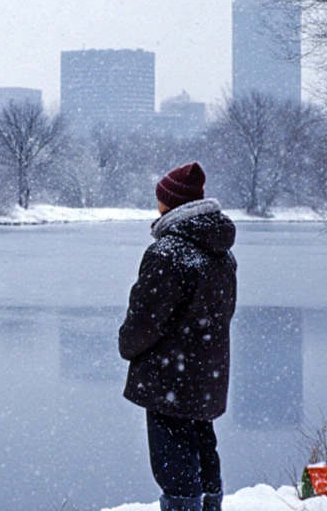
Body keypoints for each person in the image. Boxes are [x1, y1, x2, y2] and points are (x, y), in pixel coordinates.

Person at [119, 161, 238, 511]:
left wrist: (127, 343)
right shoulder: (221, 253)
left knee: (173, 461)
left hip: (169, 377)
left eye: (160, 198)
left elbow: (144, 319)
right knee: (202, 447)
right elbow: (222, 312)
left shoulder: (169, 252)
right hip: (206, 373)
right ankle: (210, 506)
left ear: (169, 203)